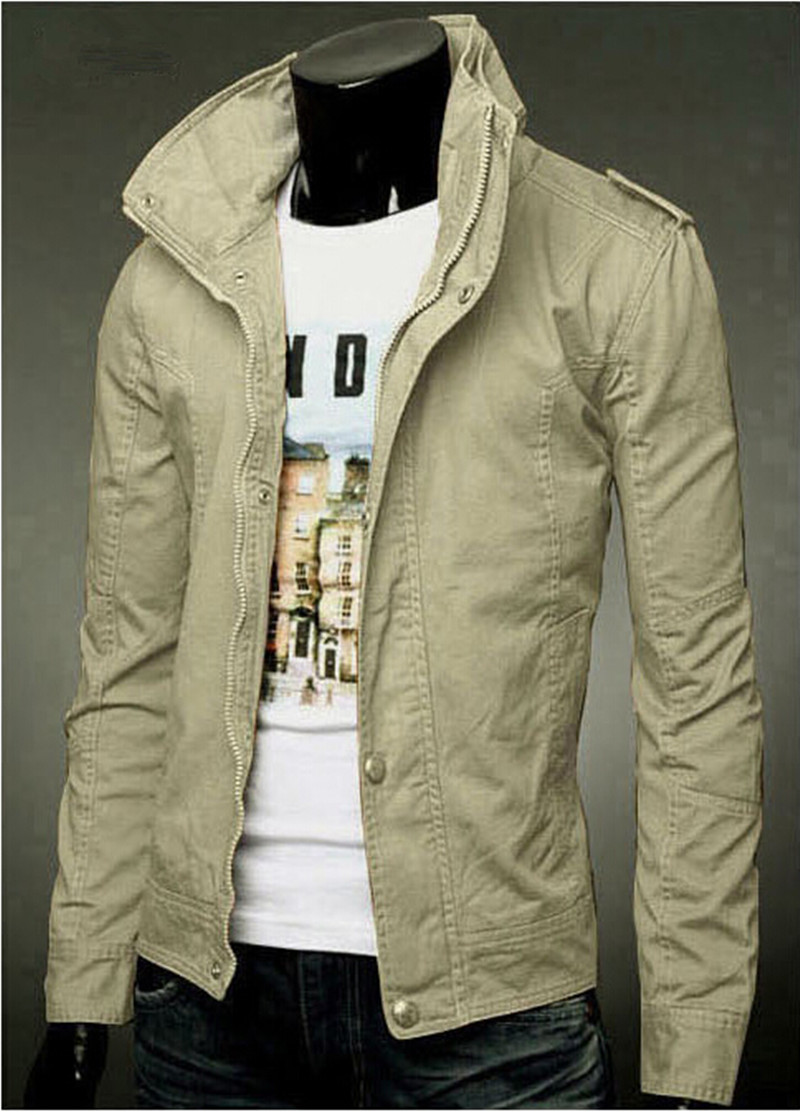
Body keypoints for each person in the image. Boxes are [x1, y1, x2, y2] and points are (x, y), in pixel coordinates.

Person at [25, 11, 763, 1109]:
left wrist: (691, 1051)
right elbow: (129, 656)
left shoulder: (614, 263)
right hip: (208, 1004)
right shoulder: (168, 284)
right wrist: (82, 984)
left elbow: (697, 682)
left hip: (493, 1010)